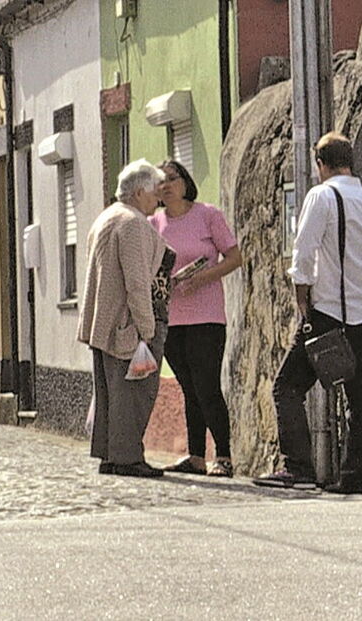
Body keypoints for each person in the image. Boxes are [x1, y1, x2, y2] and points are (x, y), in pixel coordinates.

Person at [254, 132, 362, 493]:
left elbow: (303, 258)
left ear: (321, 164)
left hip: (329, 315)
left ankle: (298, 468)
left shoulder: (322, 195)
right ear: (350, 160)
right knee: (360, 398)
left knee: (287, 387)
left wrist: (303, 306)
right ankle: (353, 478)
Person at [78, 159, 175, 478]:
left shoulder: (107, 217)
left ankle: (111, 453)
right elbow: (137, 281)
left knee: (111, 392)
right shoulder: (132, 223)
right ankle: (127, 456)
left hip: (104, 323)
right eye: (153, 192)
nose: (158, 199)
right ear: (137, 192)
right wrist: (147, 329)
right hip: (126, 325)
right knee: (134, 392)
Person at [149, 160, 243, 478]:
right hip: (173, 318)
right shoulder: (154, 223)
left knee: (207, 386)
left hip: (206, 316)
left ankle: (225, 456)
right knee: (188, 387)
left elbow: (235, 257)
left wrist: (205, 278)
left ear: (185, 182)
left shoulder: (207, 215)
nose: (165, 185)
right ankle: (196, 456)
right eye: (160, 181)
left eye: (171, 179)